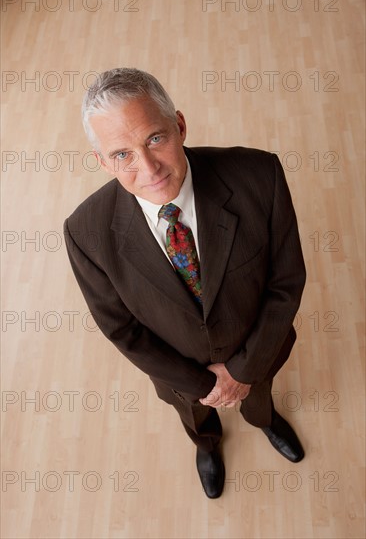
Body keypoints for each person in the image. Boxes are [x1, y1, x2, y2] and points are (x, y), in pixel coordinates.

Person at [64, 68, 306, 499]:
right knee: (194, 416)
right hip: (180, 375)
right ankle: (207, 445)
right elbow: (122, 330)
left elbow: (285, 283)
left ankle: (264, 419)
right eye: (122, 155)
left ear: (179, 125)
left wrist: (242, 371)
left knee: (259, 397)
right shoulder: (85, 233)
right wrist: (204, 386)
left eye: (155, 138)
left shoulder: (260, 176)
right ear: (102, 161)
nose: (149, 168)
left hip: (259, 352)